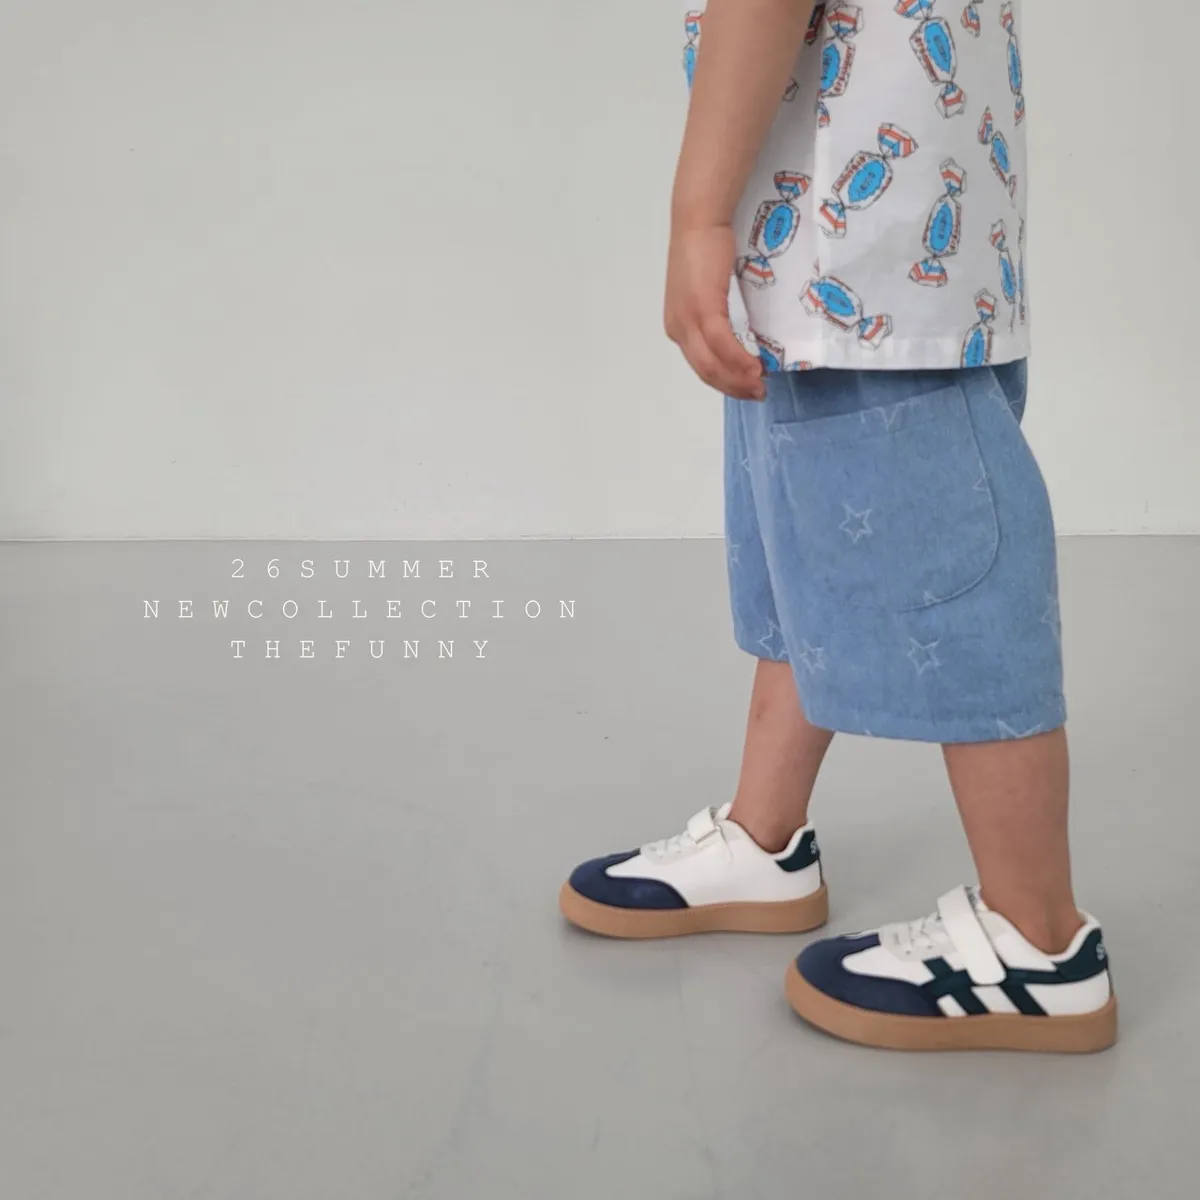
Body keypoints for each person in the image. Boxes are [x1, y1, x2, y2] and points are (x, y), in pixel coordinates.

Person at [558, 0, 1117, 1053]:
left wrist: (696, 216)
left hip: (854, 254)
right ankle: (765, 840)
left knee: (960, 582)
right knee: (805, 547)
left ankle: (1039, 938)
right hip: (875, 244)